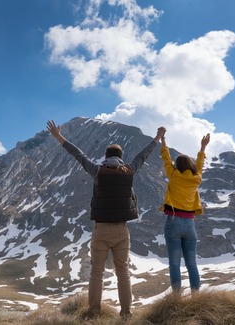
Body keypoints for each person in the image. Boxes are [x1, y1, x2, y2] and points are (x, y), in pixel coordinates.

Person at [46, 120, 166, 320]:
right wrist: (157, 138)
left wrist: (59, 137)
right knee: (123, 273)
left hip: (100, 230)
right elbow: (143, 155)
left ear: (106, 157)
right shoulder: (129, 170)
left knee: (96, 274)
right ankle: (126, 315)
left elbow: (78, 155)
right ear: (121, 158)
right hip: (121, 231)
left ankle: (93, 315)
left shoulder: (97, 171)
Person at [159, 132, 210, 293]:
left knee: (174, 264)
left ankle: (176, 297)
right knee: (192, 264)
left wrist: (163, 140)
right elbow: (200, 165)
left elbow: (166, 159)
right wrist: (202, 147)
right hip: (190, 224)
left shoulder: (173, 176)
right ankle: (196, 297)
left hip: (173, 221)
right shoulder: (197, 178)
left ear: (177, 166)